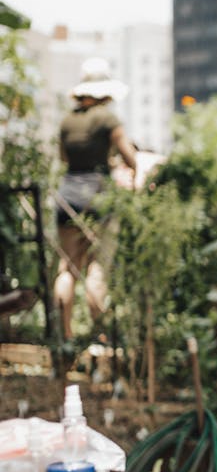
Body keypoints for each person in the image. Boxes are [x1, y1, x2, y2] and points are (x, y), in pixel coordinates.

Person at [53, 57, 137, 340]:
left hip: (67, 197)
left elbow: (64, 158)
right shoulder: (106, 118)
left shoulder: (67, 121)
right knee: (97, 270)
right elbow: (129, 157)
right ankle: (100, 340)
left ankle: (65, 339)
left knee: (67, 269)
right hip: (97, 198)